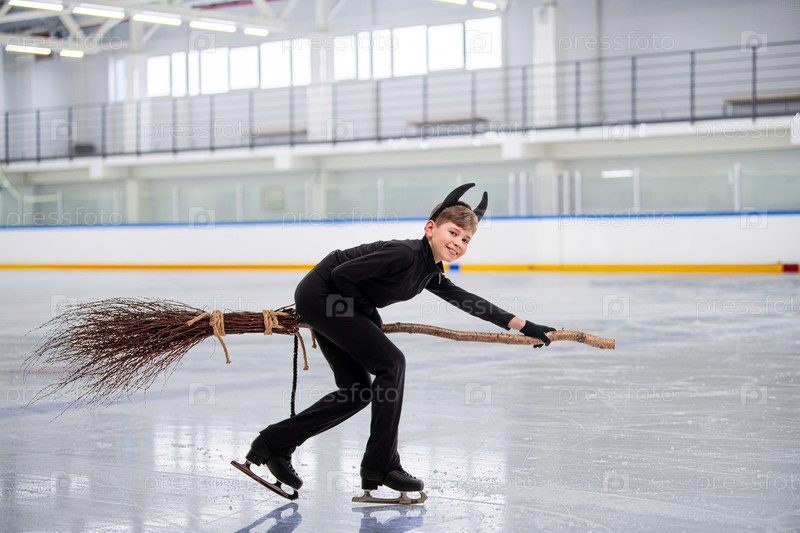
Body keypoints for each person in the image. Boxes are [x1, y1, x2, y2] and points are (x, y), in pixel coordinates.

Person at [244, 183, 555, 496]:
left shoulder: (429, 271)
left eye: (465, 239)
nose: (458, 243)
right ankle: (381, 464)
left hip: (333, 301)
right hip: (323, 295)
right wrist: (368, 314)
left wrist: (524, 325)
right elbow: (341, 276)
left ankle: (274, 443)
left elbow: (467, 300)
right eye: (453, 233)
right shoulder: (404, 254)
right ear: (430, 228)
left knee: (357, 392)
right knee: (392, 364)